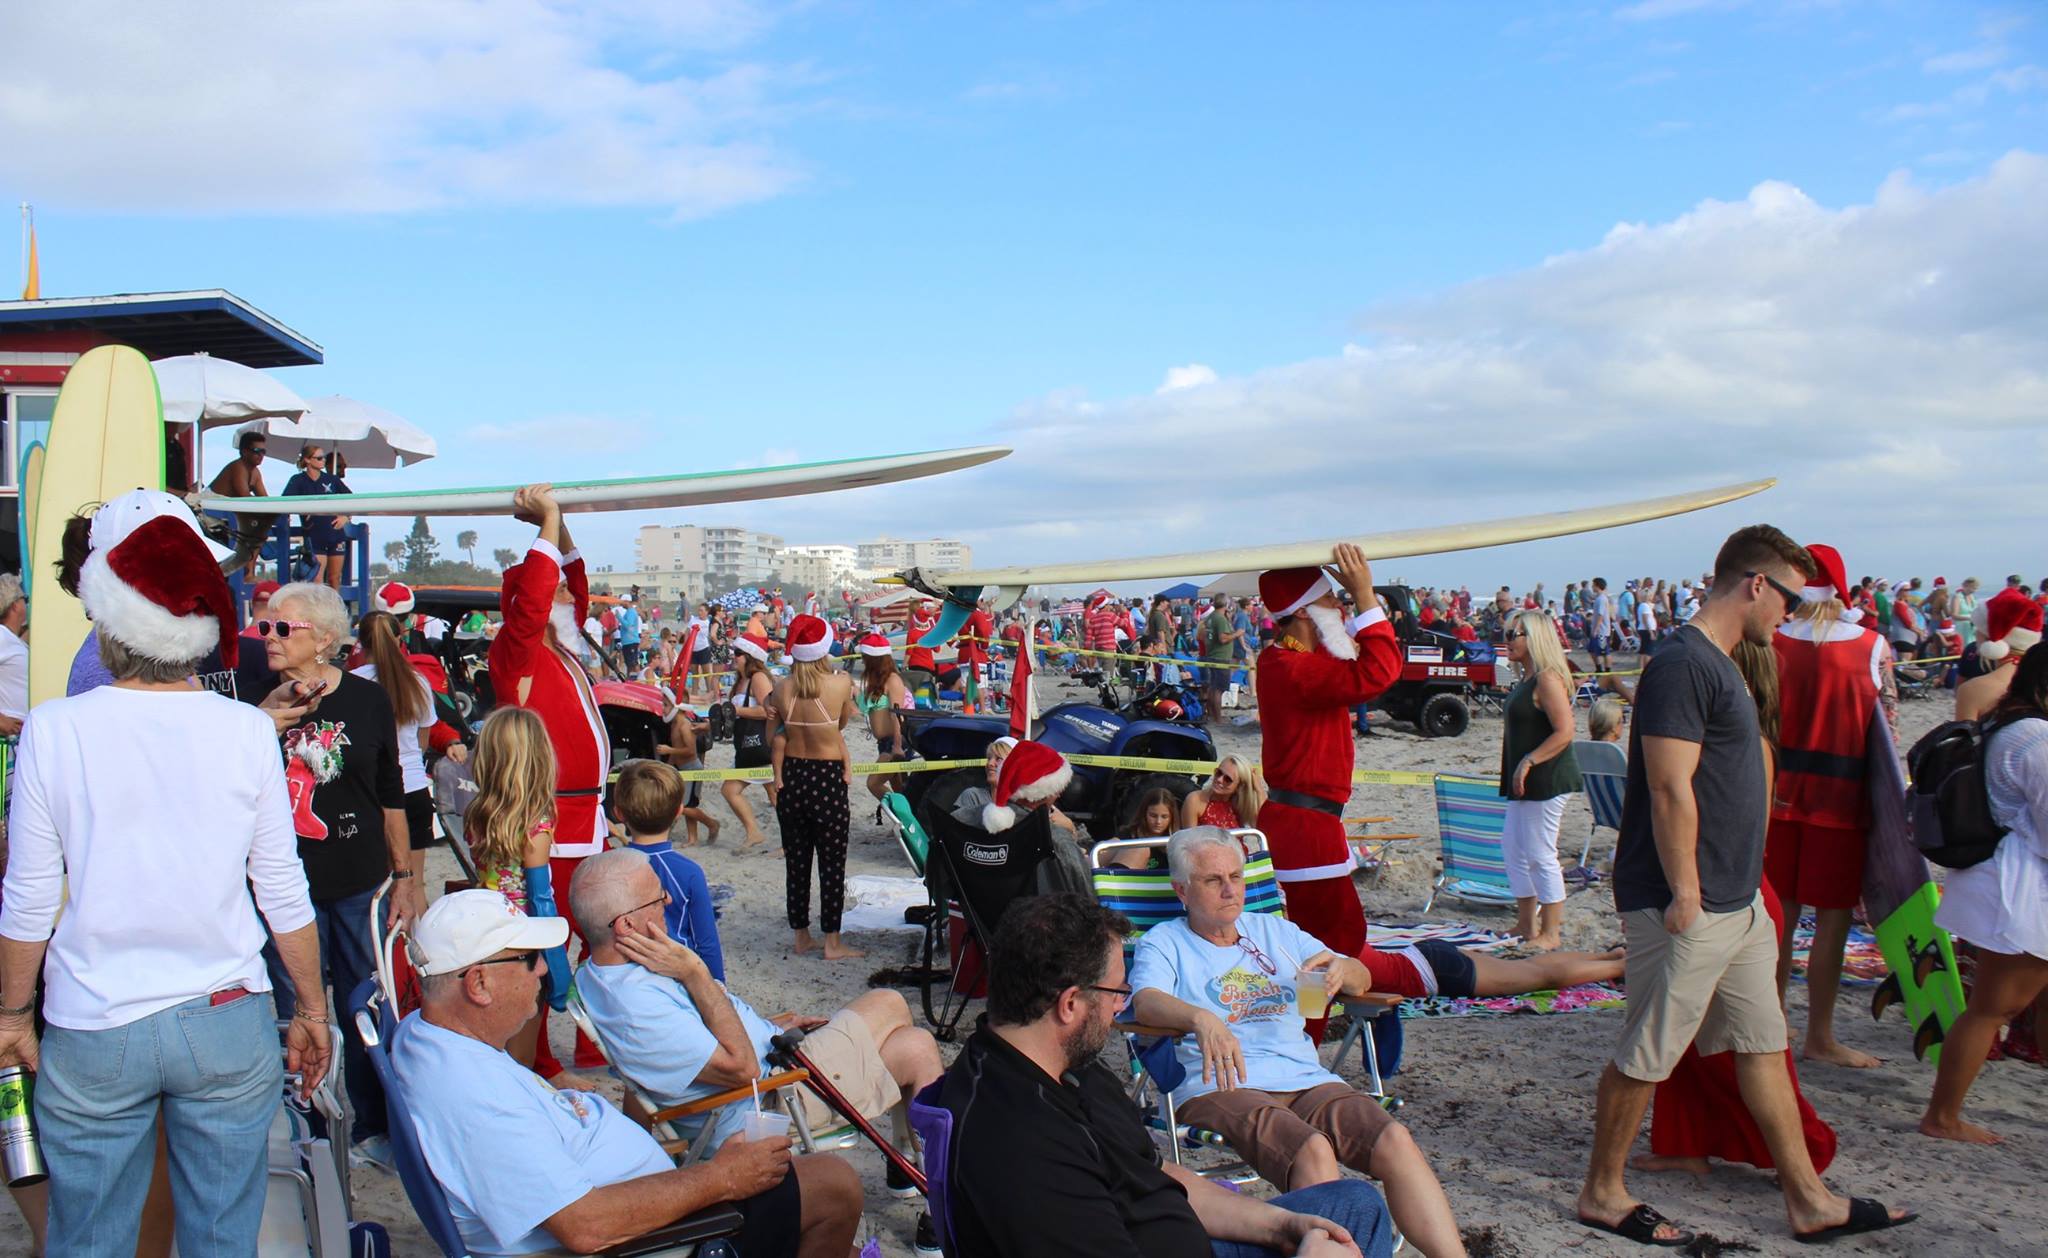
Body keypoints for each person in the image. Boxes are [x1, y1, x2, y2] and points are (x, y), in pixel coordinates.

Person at [0, 502, 333, 1254]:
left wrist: (13, 1014)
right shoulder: (245, 728)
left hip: (94, 1017)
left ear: (107, 622)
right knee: (223, 1236)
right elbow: (282, 888)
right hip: (224, 1011)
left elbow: (28, 897)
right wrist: (312, 1006)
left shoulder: (55, 727)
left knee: (90, 1237)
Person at [1575, 524, 1913, 1247]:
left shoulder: (1722, 662)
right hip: (1690, 901)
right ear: (1756, 584)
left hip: (1739, 900)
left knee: (1762, 1046)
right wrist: (1686, 893)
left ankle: (1809, 1199)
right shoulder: (1682, 663)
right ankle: (1602, 1193)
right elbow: (1668, 787)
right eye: (1788, 599)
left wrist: (1740, 890)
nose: (1790, 615)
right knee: (1648, 1050)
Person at [393, 889, 862, 1257]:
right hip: (649, 1242)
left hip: (637, 1208)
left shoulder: (424, 1034)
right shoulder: (472, 1091)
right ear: (478, 983)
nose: (541, 972)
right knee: (833, 1185)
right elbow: (585, 1226)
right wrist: (722, 1178)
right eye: (530, 958)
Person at [931, 892, 1393, 1258]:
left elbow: (1155, 1173)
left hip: (1180, 1234)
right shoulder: (1022, 1146)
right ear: (1070, 1003)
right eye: (1117, 990)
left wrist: (1282, 1226)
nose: (1122, 1004)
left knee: (1355, 1206)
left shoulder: (1066, 1067)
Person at [568, 851, 940, 1251]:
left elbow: (657, 1064)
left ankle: (914, 1177)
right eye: (658, 898)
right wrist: (694, 971)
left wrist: (763, 1025)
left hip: (775, 1063)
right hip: (777, 1094)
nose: (668, 902)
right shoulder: (639, 1008)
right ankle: (930, 1194)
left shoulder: (598, 974)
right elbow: (742, 1068)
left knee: (915, 1046)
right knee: (891, 1004)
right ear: (626, 925)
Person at [1129, 829, 1459, 1255]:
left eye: (1236, 876)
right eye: (1213, 880)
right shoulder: (1165, 942)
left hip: (1304, 1076)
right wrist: (1200, 1017)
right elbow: (1146, 1001)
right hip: (1222, 1084)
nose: (1230, 890)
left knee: (1394, 1139)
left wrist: (1343, 971)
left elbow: (1358, 975)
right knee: (1311, 1148)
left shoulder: (1275, 932)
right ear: (1182, 890)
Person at [1633, 636, 1839, 1180]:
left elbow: (1739, 831)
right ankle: (1688, 1144)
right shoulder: (1739, 736)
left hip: (1724, 888)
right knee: (1702, 1042)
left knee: (1731, 1045)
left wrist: (1691, 890)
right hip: (1725, 885)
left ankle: (1784, 1155)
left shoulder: (1747, 744)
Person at [264, 581, 413, 1165]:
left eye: (284, 627)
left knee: (364, 1007)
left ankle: (374, 1128)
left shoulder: (368, 700)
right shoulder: (252, 701)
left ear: (325, 639)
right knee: (295, 1015)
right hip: (282, 891)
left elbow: (392, 793)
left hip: (357, 884)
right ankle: (309, 1136)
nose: (269, 636)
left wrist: (406, 878)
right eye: (266, 626)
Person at [488, 484, 612, 1075]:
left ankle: (591, 1042)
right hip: (550, 822)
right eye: (554, 587)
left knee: (601, 931)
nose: (567, 592)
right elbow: (540, 595)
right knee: (545, 939)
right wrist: (548, 519)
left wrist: (557, 528)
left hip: (588, 817)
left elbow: (574, 587)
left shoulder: (560, 647)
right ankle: (536, 1056)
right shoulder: (516, 651)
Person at [1254, 546, 1401, 1041]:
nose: (1339, 607)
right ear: (1302, 613)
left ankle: (1309, 1029)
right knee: (1330, 941)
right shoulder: (1292, 667)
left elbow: (1355, 660)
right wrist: (1365, 597)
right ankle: (1306, 1038)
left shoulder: (1290, 660)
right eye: (1330, 601)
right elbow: (1377, 672)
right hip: (1306, 827)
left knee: (1322, 941)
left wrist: (1354, 609)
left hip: (1305, 821)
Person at [1764, 544, 1888, 1070]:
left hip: (1778, 796)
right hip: (1841, 800)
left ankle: (1773, 1024)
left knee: (1780, 917)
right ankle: (1820, 1034)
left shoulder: (1771, 642)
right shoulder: (1871, 645)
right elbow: (1885, 732)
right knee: (1832, 921)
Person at [1922, 642, 2048, 1143]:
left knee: (2011, 1004)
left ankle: (1943, 1114)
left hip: (2002, 876)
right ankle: (1942, 1117)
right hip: (2018, 884)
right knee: (1995, 1008)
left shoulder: (2008, 723)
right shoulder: (2035, 737)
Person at [461, 706, 577, 1070]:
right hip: (523, 942)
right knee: (521, 1052)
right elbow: (540, 900)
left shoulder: (478, 814)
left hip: (484, 934)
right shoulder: (535, 824)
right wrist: (558, 969)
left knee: (491, 1040)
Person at [769, 615, 862, 961]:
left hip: (793, 773)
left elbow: (773, 733)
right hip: (826, 775)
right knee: (832, 862)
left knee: (797, 861)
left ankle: (801, 936)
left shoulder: (781, 688)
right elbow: (840, 725)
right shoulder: (840, 683)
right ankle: (832, 942)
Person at [1499, 609, 1581, 951]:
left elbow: (1565, 731)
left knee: (1539, 852)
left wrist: (1529, 761)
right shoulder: (1527, 679)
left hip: (1547, 777)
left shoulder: (1547, 678)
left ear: (1534, 639)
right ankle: (1526, 923)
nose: (1506, 641)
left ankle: (1551, 932)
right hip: (1527, 778)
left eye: (1512, 635)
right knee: (1513, 848)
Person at [612, 760, 726, 982]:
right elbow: (706, 940)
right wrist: (717, 986)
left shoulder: (608, 868)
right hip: (676, 977)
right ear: (679, 812)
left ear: (619, 813)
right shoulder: (689, 872)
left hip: (624, 976)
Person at [353, 608, 442, 886]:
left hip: (370, 792)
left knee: (375, 887)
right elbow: (423, 740)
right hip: (413, 787)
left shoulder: (353, 682)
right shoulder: (418, 681)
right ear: (400, 638)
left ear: (360, 642)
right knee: (414, 886)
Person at [1955, 589, 2043, 721]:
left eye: (1978, 629)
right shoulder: (2040, 681)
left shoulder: (1973, 690)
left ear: (1990, 639)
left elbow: (1964, 734)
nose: (1975, 633)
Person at [723, 632, 777, 849]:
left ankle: (757, 833)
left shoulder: (758, 678)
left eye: (738, 653)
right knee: (774, 795)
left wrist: (737, 710)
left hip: (760, 744)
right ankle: (758, 834)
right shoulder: (740, 681)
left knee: (730, 790)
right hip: (747, 746)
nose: (733, 656)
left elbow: (768, 711)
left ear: (750, 656)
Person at [281, 443, 350, 590]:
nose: (323, 460)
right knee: (316, 578)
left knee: (334, 578)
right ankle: (317, 605)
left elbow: (352, 499)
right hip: (314, 535)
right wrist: (299, 511)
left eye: (323, 458)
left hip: (335, 533)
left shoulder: (332, 479)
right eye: (319, 458)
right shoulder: (298, 480)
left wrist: (345, 517)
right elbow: (284, 503)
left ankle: (334, 604)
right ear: (307, 460)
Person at [856, 632, 914, 804]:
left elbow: (896, 714)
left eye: (864, 657)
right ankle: (906, 817)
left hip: (894, 742)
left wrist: (897, 746)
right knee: (901, 790)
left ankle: (902, 814)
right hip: (884, 743)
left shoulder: (893, 680)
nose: (862, 660)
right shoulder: (876, 680)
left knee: (873, 783)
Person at [207, 427, 271, 580]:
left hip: (228, 515)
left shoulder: (255, 472)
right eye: (257, 451)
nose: (261, 455)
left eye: (263, 452)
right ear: (244, 451)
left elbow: (265, 499)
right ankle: (246, 573)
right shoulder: (238, 467)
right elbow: (245, 496)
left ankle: (249, 573)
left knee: (260, 529)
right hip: (211, 514)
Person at [655, 701, 722, 847]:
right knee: (688, 805)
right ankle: (693, 838)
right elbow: (676, 748)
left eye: (666, 705)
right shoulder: (674, 725)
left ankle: (712, 824)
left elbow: (690, 751)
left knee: (684, 807)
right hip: (682, 769)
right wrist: (668, 767)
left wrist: (669, 750)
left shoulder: (685, 725)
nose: (663, 709)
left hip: (692, 769)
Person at [1100, 785, 1178, 870]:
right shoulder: (1131, 833)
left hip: (1161, 878)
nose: (1158, 822)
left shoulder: (1176, 842)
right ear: (1144, 813)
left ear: (1172, 817)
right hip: (1128, 877)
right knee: (1133, 847)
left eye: (1164, 817)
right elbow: (1112, 844)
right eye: (1153, 816)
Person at [1181, 753, 1264, 832]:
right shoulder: (1196, 800)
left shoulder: (1240, 804)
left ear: (1239, 786)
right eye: (1219, 772)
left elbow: (1264, 829)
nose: (1219, 779)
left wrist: (1259, 791)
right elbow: (1189, 839)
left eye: (1228, 779)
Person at [0, 573, 26, 736]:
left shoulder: (10, 639)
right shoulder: (2, 635)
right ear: (15, 605)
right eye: (25, 599)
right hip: (9, 740)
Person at [1587, 577, 1614, 674]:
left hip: (1602, 631)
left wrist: (1596, 629)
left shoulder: (1602, 599)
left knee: (1604, 651)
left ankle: (1607, 671)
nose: (1592, 587)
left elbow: (1600, 615)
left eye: (1593, 585)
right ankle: (1599, 668)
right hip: (1597, 629)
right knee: (1592, 650)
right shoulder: (1598, 598)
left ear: (1597, 586)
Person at [615, 596, 643, 672]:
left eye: (622, 602)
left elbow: (628, 625)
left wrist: (619, 617)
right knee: (629, 664)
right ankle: (630, 678)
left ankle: (637, 678)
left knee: (633, 663)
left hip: (631, 642)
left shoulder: (631, 612)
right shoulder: (629, 612)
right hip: (628, 642)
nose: (621, 604)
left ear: (626, 601)